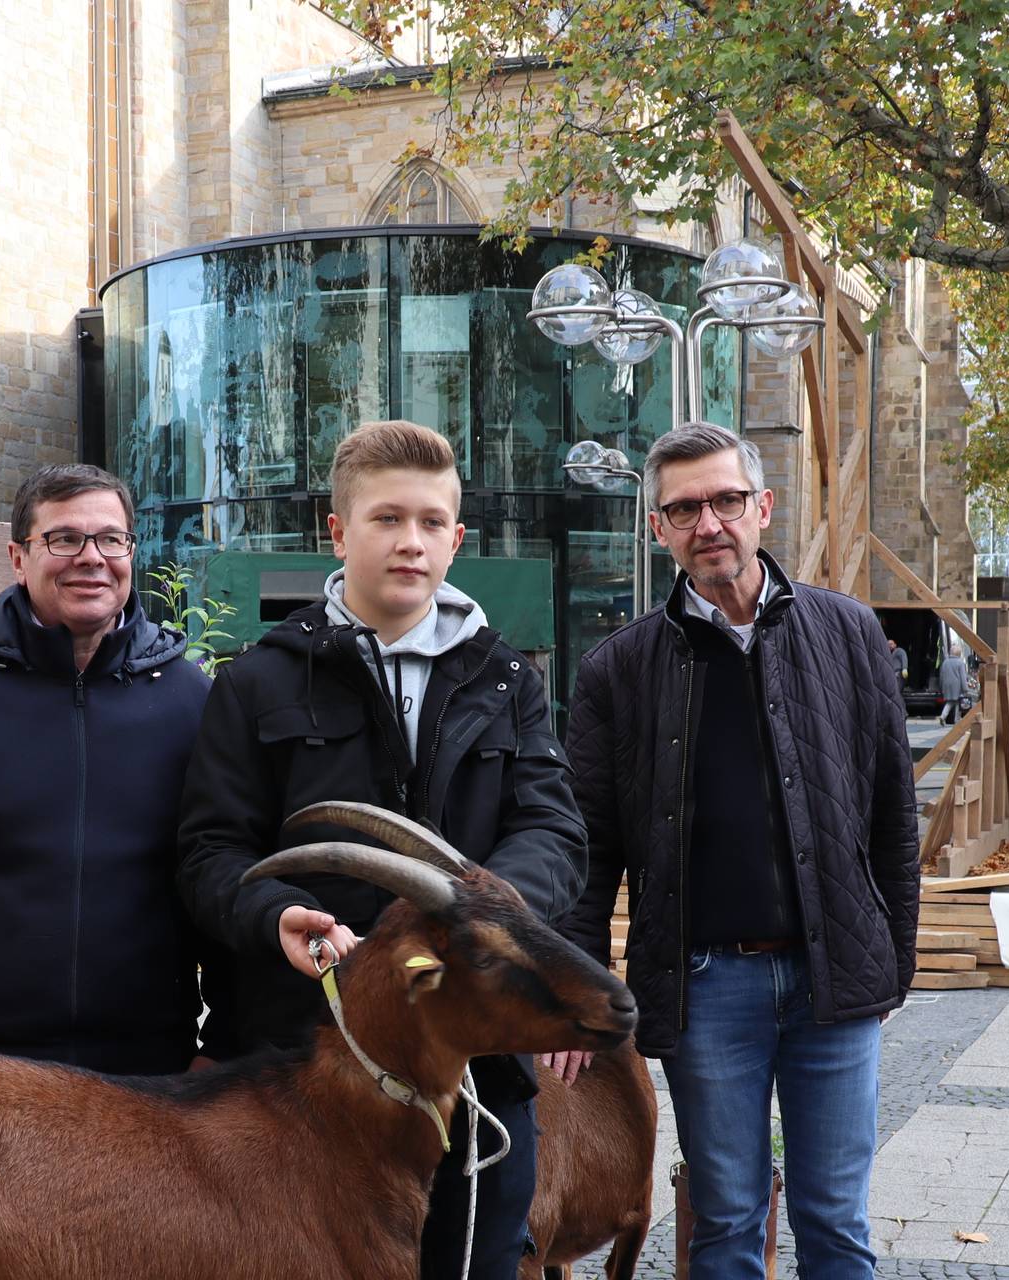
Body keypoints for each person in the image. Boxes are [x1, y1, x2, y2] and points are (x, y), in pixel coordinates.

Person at [176, 419, 585, 1280]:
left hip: (475, 1075)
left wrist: (484, 917)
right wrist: (273, 915)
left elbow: (554, 833)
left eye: (433, 522)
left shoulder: (509, 681)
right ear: (337, 530)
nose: (412, 542)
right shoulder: (257, 682)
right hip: (299, 1077)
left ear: (458, 537)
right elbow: (208, 854)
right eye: (387, 519)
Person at [557, 423, 919, 1280]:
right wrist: (573, 990)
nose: (708, 523)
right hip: (706, 985)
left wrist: (891, 963)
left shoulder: (850, 633)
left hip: (834, 979)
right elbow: (586, 849)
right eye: (684, 509)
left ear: (762, 507)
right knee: (724, 1218)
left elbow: (893, 817)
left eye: (725, 501)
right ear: (659, 531)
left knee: (836, 1220)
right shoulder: (619, 670)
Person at [0, 463, 215, 1074]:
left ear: (131, 552)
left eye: (111, 539)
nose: (91, 557)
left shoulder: (188, 698)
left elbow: (216, 872)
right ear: (19, 558)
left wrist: (223, 1046)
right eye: (64, 539)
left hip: (148, 1066)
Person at [937, 643, 970, 725]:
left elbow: (941, 676)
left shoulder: (945, 662)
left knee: (949, 703)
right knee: (959, 703)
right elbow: (963, 677)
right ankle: (957, 720)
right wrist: (965, 689)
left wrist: (941, 687)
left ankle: (943, 716)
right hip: (957, 687)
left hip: (947, 686)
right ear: (959, 653)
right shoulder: (960, 663)